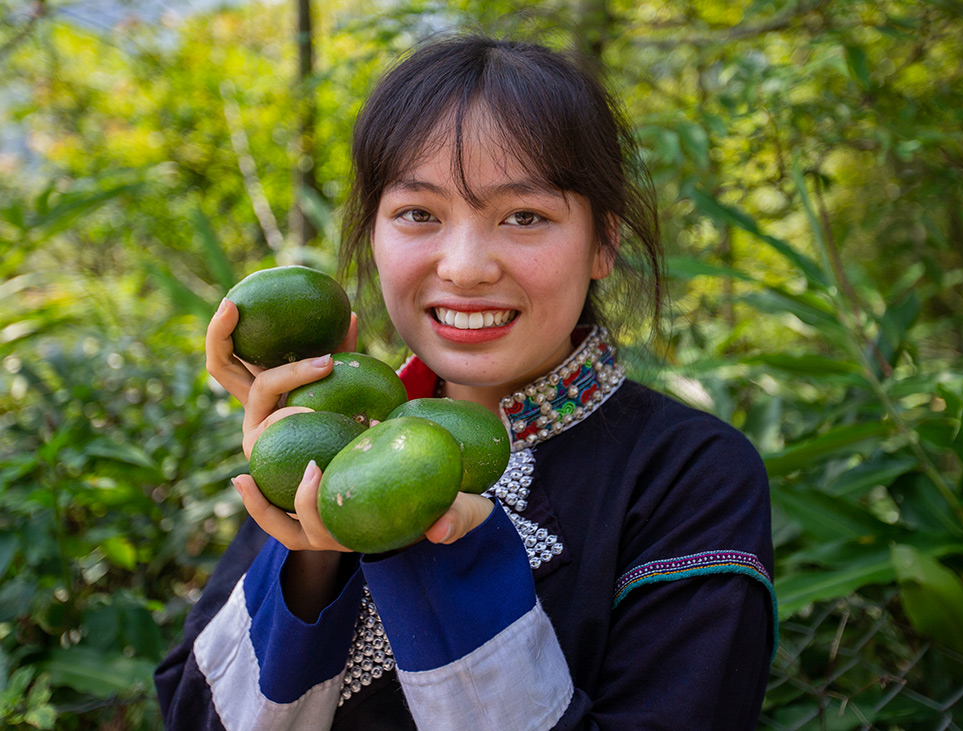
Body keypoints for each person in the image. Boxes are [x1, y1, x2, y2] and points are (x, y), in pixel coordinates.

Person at [155, 34, 776, 730]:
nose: (465, 265)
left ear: (604, 240)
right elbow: (188, 714)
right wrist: (307, 554)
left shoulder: (689, 475)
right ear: (373, 236)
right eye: (419, 213)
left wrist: (447, 552)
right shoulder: (331, 444)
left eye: (525, 216)